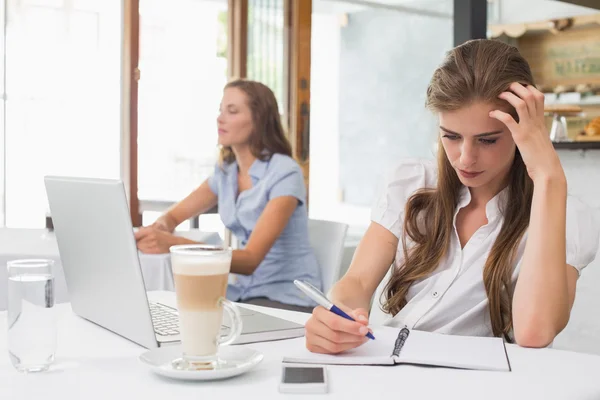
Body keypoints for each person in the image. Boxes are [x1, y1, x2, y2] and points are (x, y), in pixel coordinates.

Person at [305, 39, 599, 354]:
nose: (465, 159)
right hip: (390, 370)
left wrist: (549, 176)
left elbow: (534, 332)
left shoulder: (564, 213)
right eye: (452, 137)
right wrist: (336, 315)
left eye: (487, 140)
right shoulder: (410, 183)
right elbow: (358, 283)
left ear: (524, 131)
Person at [135, 79, 321, 313]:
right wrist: (161, 227)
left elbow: (251, 260)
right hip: (243, 294)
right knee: (172, 310)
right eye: (220, 110)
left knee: (194, 317)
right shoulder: (226, 172)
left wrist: (172, 245)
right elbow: (173, 217)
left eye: (232, 111)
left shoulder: (285, 173)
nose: (220, 118)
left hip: (286, 298)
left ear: (259, 120)